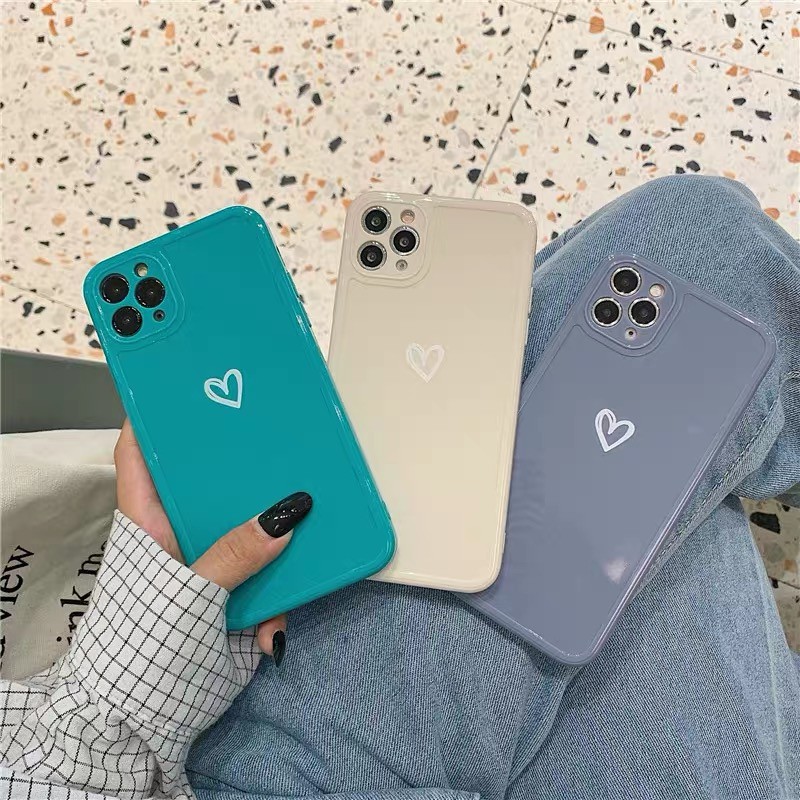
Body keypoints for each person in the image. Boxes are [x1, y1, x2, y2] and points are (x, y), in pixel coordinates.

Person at [1, 175, 798, 800]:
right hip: (214, 757)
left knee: (668, 495)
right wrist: (129, 669)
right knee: (698, 260)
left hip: (180, 718)